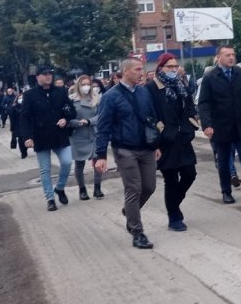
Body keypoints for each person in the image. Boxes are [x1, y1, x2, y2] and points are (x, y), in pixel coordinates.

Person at [93, 58, 162, 249]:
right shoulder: (110, 97)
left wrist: (156, 144)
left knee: (149, 187)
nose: (142, 73)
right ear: (125, 71)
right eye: (137, 69)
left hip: (146, 147)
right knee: (134, 188)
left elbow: (151, 119)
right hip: (124, 148)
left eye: (142, 69)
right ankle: (137, 232)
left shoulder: (144, 92)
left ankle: (130, 211)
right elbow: (103, 127)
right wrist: (100, 155)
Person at [198, 46, 241, 205]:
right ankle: (226, 192)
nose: (231, 57)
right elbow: (204, 103)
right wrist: (207, 125)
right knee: (223, 161)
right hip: (221, 126)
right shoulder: (210, 77)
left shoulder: (240, 74)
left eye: (233, 55)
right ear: (218, 57)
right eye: (227, 55)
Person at [147, 53, 202, 229]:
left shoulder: (181, 85)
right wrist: (157, 137)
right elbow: (149, 115)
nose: (173, 69)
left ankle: (174, 205)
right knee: (170, 180)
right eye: (169, 66)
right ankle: (174, 217)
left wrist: (191, 124)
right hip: (166, 140)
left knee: (189, 174)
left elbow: (190, 106)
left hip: (183, 137)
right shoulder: (152, 88)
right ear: (161, 68)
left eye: (175, 66)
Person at [19, 66, 76, 211]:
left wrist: (65, 119)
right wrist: (27, 137)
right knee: (45, 170)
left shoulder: (60, 91)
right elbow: (25, 117)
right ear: (37, 77)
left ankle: (60, 188)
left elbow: (71, 110)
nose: (48, 76)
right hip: (41, 136)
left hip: (59, 134)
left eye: (50, 74)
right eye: (45, 74)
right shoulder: (29, 95)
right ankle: (50, 198)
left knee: (67, 162)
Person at [68, 75, 104, 200]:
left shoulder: (97, 98)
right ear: (78, 85)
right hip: (78, 135)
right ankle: (82, 189)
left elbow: (101, 115)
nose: (86, 87)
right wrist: (78, 122)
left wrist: (89, 121)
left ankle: (97, 188)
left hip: (94, 133)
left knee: (98, 161)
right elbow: (67, 118)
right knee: (79, 163)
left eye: (88, 84)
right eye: (83, 84)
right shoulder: (71, 100)